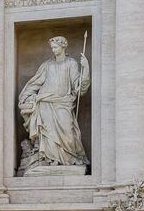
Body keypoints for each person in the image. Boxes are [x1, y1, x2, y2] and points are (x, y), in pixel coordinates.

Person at [18, 36, 90, 168]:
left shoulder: (71, 63)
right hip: (45, 103)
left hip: (63, 103)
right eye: (52, 48)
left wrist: (85, 70)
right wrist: (27, 97)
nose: (53, 50)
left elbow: (78, 88)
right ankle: (51, 160)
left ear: (63, 47)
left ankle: (68, 159)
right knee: (47, 132)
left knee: (68, 132)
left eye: (55, 47)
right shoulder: (47, 65)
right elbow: (35, 83)